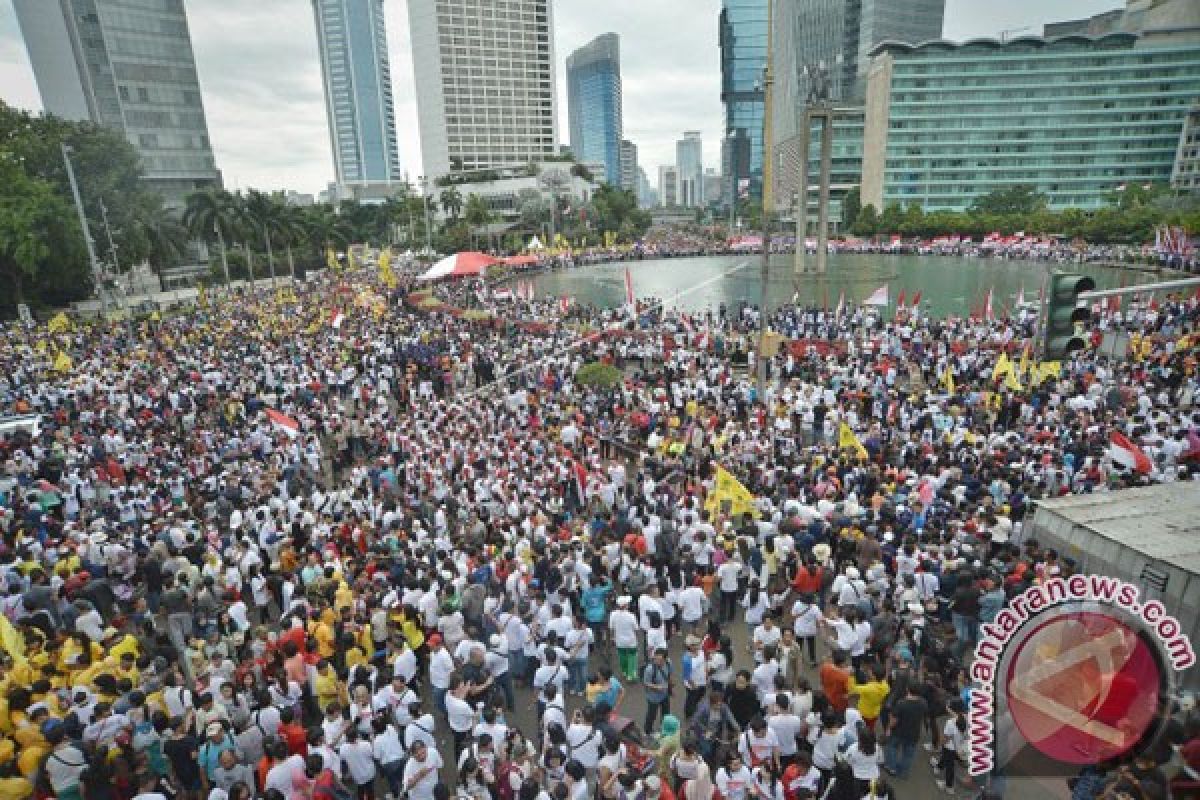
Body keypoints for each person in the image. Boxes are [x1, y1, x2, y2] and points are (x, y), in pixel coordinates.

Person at [883, 683, 928, 779]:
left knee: (892, 748)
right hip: (914, 733)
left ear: (908, 689)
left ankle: (892, 768)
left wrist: (888, 728)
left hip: (898, 733)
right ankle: (903, 772)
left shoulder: (901, 703)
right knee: (908, 755)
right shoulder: (923, 702)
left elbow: (894, 720)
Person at [643, 648, 673, 735]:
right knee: (651, 715)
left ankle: (664, 728)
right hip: (653, 697)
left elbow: (670, 674)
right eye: (655, 658)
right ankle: (647, 731)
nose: (657, 661)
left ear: (665, 659)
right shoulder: (649, 669)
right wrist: (656, 687)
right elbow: (646, 683)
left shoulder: (668, 663)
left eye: (660, 660)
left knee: (666, 713)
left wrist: (670, 684)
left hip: (665, 694)